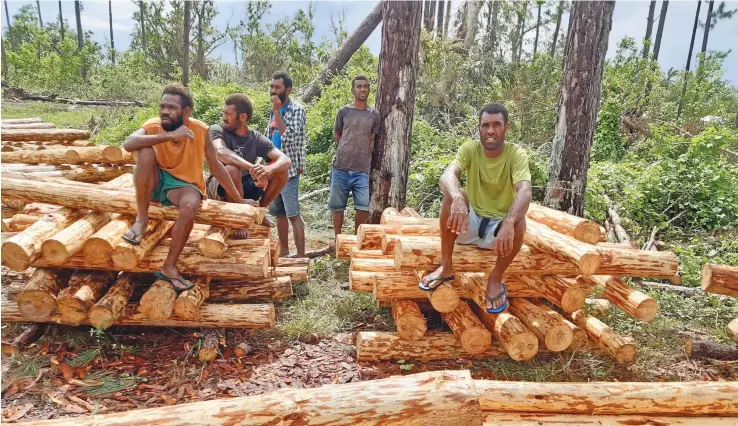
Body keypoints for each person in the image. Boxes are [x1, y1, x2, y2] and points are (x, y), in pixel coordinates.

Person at [122, 84, 246, 291]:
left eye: (172, 108)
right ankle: (141, 219)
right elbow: (128, 143)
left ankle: (169, 266)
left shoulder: (200, 130)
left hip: (183, 185)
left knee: (190, 204)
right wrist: (170, 136)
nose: (165, 112)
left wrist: (240, 201)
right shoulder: (154, 125)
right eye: (163, 106)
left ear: (186, 112)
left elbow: (217, 167)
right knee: (145, 152)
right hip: (156, 178)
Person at [419, 103, 532, 314]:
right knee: (452, 196)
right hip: (468, 224)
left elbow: (525, 189)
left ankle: (495, 279)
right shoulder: (470, 149)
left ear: (506, 128)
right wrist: (457, 199)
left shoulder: (516, 154)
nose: (490, 130)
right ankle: (446, 266)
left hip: (499, 233)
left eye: (496, 125)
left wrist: (508, 222)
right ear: (479, 128)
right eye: (485, 125)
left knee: (519, 220)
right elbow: (447, 175)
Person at [205, 93, 292, 238]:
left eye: (228, 114)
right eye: (223, 113)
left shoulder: (255, 137)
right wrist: (252, 168)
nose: (224, 117)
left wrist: (267, 170)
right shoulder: (217, 129)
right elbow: (220, 152)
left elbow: (285, 160)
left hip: (245, 186)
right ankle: (240, 219)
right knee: (233, 169)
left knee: (282, 172)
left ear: (243, 117)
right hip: (220, 186)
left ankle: (260, 212)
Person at [329, 74, 380, 236]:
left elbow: (372, 139)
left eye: (365, 86)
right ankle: (338, 239)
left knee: (363, 207)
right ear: (353, 90)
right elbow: (337, 134)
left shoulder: (374, 114)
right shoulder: (343, 111)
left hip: (362, 171)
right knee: (338, 207)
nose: (362, 89)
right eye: (359, 86)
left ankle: (356, 238)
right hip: (341, 168)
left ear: (369, 89)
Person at [267, 71, 307, 258]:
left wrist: (276, 112)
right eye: (272, 86)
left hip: (289, 171)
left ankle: (301, 258)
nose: (273, 90)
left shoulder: (296, 110)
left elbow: (288, 137)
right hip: (273, 169)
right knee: (279, 214)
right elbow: (270, 138)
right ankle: (284, 252)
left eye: (278, 87)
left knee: (293, 215)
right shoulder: (274, 111)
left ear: (288, 90)